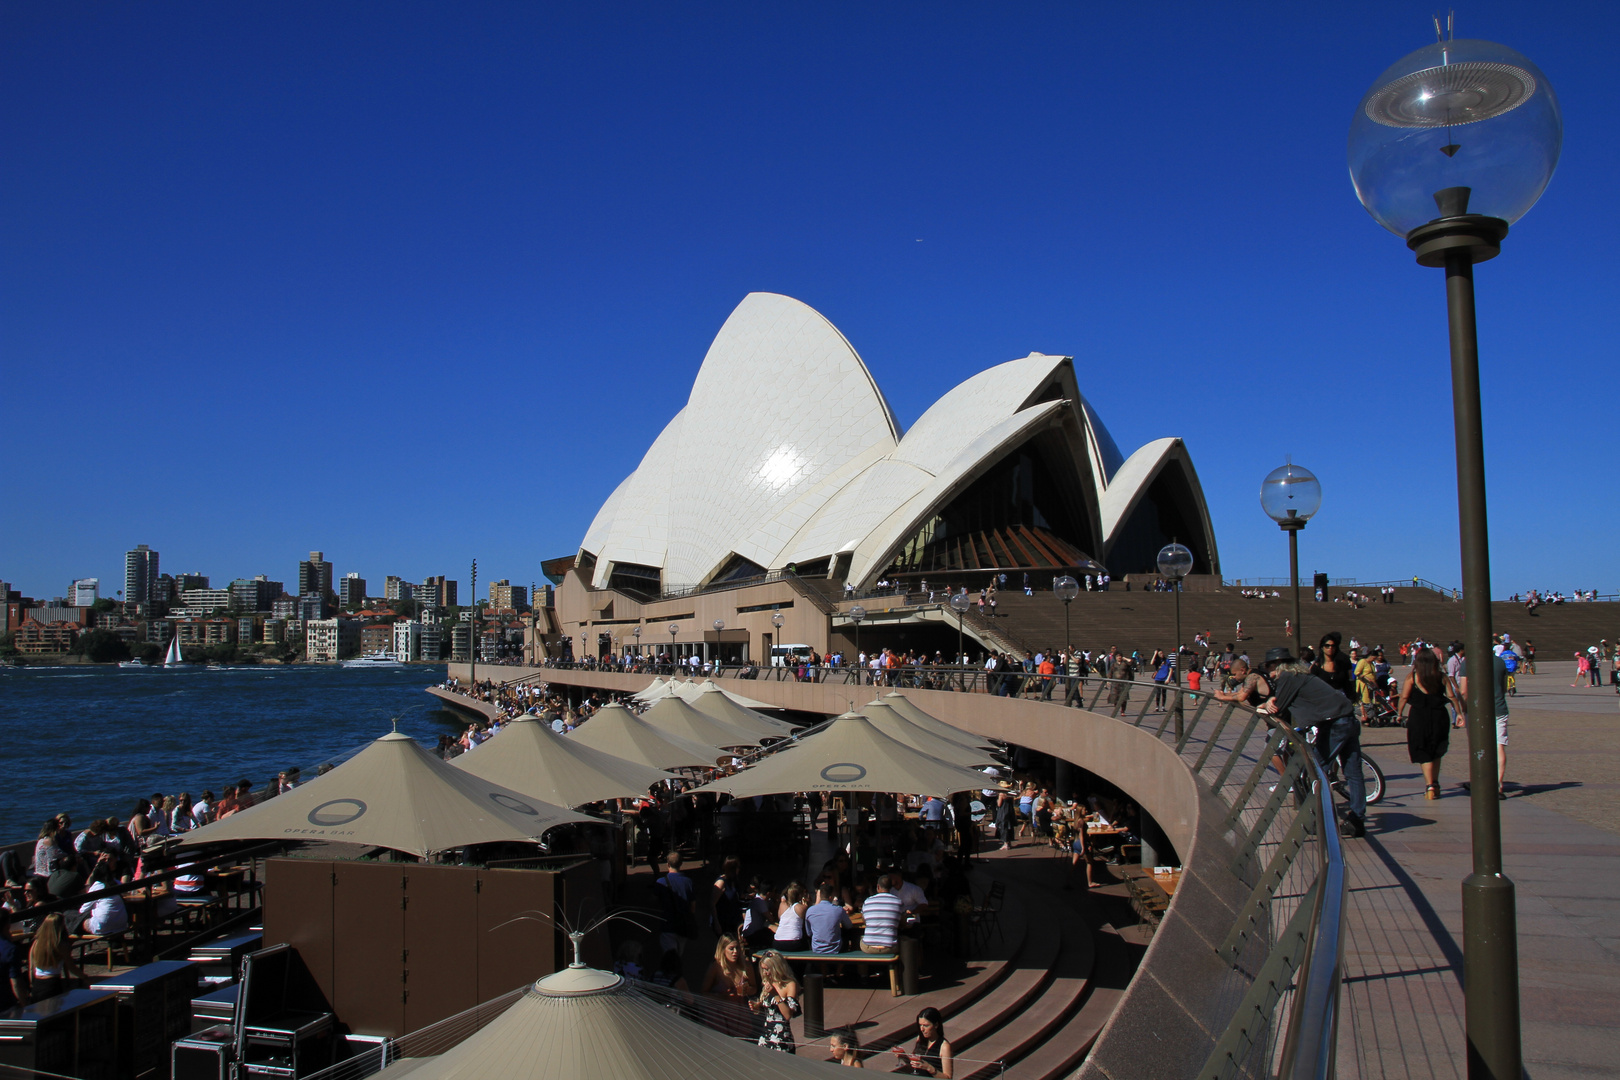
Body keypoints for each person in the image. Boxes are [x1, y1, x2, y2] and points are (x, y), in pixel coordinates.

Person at [1262, 646, 1366, 838]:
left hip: (1334, 724)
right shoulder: (1301, 676)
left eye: (1269, 667)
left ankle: (1317, 819)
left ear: (1277, 665)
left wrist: (1268, 703)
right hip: (1347, 719)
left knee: (1311, 772)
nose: (1270, 672)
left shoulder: (1287, 677)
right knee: (1353, 772)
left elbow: (1278, 708)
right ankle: (1357, 819)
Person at [1398, 649, 1461, 800]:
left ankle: (1429, 785)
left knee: (1423, 749)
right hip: (1439, 716)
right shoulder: (1441, 677)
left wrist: (1399, 713)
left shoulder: (1412, 676)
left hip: (1419, 717)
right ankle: (1436, 783)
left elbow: (1404, 697)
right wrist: (1458, 713)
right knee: (1436, 749)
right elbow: (1451, 696)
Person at [1459, 646, 1512, 799]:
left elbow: (1464, 691)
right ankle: (1498, 785)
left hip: (1476, 710)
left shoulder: (1467, 663)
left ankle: (1479, 781)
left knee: (1477, 745)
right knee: (1499, 745)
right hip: (1499, 708)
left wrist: (1463, 709)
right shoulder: (1500, 662)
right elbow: (1503, 688)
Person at [699, 934, 758, 1036]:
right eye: (731, 949)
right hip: (719, 1014)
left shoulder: (746, 966)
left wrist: (747, 990)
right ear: (723, 950)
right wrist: (721, 997)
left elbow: (754, 988)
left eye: (737, 948)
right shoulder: (716, 967)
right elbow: (703, 992)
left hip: (739, 1013)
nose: (735, 952)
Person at [66, 861, 129, 938]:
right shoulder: (117, 883)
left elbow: (83, 910)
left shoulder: (98, 885)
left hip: (103, 926)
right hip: (121, 924)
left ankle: (67, 940)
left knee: (69, 916)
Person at [28, 912, 82, 1001]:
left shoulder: (36, 943)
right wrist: (84, 977)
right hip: (52, 984)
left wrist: (32, 985)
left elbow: (31, 968)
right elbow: (71, 967)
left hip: (37, 984)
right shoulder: (61, 945)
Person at [755, 951, 801, 1053]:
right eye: (763, 969)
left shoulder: (789, 984)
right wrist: (757, 1006)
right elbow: (769, 1010)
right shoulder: (767, 982)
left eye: (767, 969)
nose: (765, 973)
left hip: (781, 1038)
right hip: (766, 1036)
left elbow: (788, 1015)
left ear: (776, 968)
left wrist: (775, 994)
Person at [653, 852, 697, 956]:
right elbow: (693, 905)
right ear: (681, 864)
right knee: (680, 954)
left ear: (667, 864)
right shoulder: (688, 882)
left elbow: (654, 900)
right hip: (683, 925)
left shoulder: (661, 882)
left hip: (667, 924)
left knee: (669, 956)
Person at [891, 1007, 954, 1078]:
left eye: (926, 1025)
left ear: (936, 1025)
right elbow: (915, 1068)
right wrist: (904, 1057)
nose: (922, 1029)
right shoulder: (920, 1039)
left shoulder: (944, 1046)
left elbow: (948, 1078)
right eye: (920, 1025)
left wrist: (929, 1068)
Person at [804, 882, 852, 954]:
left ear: (819, 895)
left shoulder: (810, 911)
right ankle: (840, 965)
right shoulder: (838, 910)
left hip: (817, 948)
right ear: (831, 897)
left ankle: (823, 965)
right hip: (835, 948)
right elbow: (849, 926)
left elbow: (809, 933)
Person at [859, 875, 902, 954]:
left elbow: (864, 921)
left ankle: (860, 965)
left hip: (869, 947)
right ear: (890, 887)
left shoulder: (868, 901)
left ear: (878, 887)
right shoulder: (898, 901)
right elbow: (900, 922)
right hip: (890, 947)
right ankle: (895, 966)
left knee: (859, 938)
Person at [0, 908, 27, 1010]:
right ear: (8, 925)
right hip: (5, 1002)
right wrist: (24, 1005)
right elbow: (15, 983)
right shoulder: (10, 949)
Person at [773, 882, 809, 952]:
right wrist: (806, 904)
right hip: (794, 943)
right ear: (800, 895)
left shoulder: (782, 905)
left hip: (778, 942)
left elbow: (780, 919)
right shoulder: (801, 908)